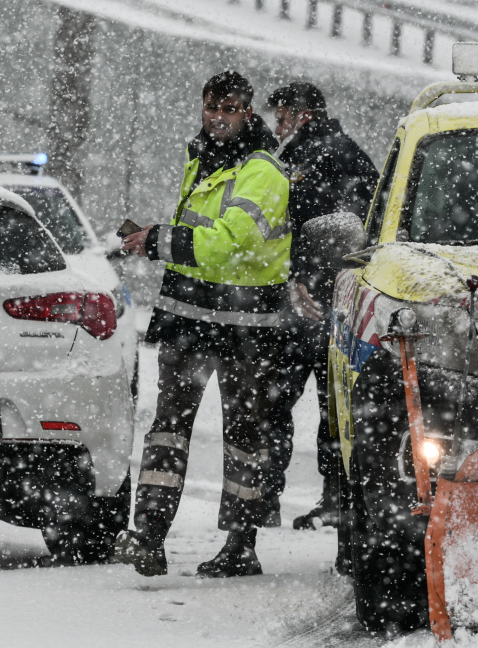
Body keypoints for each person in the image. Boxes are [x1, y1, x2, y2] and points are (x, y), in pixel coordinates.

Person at [114, 70, 290, 578]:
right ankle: (149, 533)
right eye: (212, 106)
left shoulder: (263, 172)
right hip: (189, 319)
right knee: (168, 429)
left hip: (244, 326)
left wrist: (158, 240)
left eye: (229, 108)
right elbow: (203, 238)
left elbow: (228, 243)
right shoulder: (202, 157)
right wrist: (159, 240)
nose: (218, 117)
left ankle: (241, 544)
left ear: (247, 112)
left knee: (243, 436)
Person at [264, 81, 378, 530]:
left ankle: (323, 500)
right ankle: (316, 500)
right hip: (309, 303)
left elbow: (343, 229)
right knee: (313, 407)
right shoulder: (298, 156)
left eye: (283, 115)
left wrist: (308, 278)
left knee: (321, 408)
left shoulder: (330, 155)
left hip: (324, 305)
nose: (277, 124)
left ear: (303, 115)